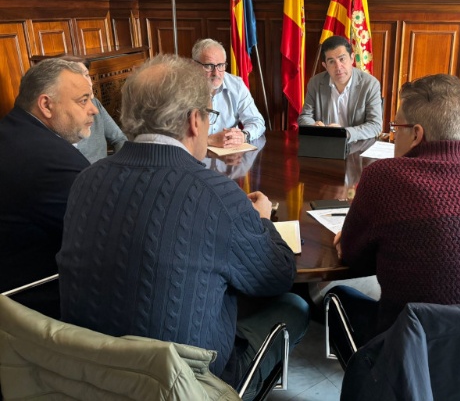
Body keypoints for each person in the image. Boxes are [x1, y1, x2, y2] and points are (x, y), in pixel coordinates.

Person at [56, 55, 308, 398]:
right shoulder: (217, 194)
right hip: (186, 386)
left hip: (94, 377)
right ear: (194, 121)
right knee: (296, 306)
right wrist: (263, 221)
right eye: (210, 115)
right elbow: (277, 276)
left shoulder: (85, 181)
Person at [329, 74, 460, 366]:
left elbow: (353, 258)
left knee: (337, 297)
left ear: (417, 134)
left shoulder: (383, 177)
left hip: (415, 356)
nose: (394, 136)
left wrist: (345, 241)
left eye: (397, 128)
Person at [0, 58, 97, 316]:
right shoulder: (52, 161)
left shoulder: (11, 129)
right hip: (30, 307)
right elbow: (104, 237)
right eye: (83, 100)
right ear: (46, 105)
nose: (94, 110)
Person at [298, 35, 382, 142]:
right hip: (324, 144)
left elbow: (375, 125)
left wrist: (344, 133)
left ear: (352, 58)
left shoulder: (370, 84)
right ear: (325, 65)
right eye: (331, 62)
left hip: (356, 146)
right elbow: (305, 116)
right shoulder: (315, 83)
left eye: (342, 59)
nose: (338, 67)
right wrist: (314, 127)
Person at [192, 38, 265, 148]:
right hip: (191, 157)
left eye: (221, 65)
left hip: (228, 157)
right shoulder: (182, 88)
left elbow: (256, 121)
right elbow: (171, 135)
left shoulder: (237, 85)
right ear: (194, 65)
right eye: (209, 66)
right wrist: (209, 140)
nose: (216, 73)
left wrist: (243, 136)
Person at [58, 56, 127, 163]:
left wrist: (120, 166)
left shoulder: (95, 103)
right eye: (78, 77)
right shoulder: (57, 114)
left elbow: (119, 139)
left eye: (86, 75)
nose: (88, 83)